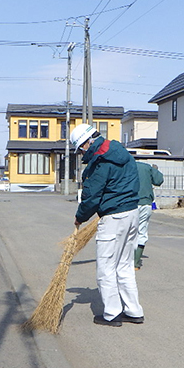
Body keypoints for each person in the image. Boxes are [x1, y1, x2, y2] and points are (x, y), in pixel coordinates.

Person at [71, 123, 144, 327]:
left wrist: (80, 217)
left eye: (80, 149)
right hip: (132, 213)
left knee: (106, 268)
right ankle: (134, 310)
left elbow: (91, 196)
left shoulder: (100, 162)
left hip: (113, 218)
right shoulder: (120, 151)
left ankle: (112, 314)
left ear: (87, 142)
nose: (82, 153)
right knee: (124, 266)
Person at [134, 161, 164, 269]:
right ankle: (136, 263)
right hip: (145, 203)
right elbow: (159, 180)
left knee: (127, 232)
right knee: (141, 232)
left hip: (129, 204)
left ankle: (124, 261)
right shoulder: (147, 167)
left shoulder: (125, 166)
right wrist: (155, 170)